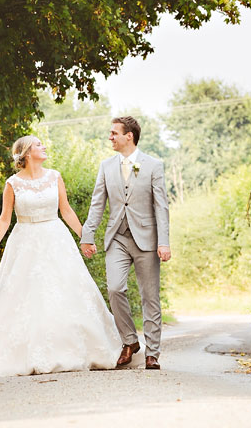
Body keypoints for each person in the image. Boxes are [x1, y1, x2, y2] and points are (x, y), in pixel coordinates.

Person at [0, 136, 121, 377]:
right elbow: (4, 219)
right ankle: (28, 354)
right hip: (25, 243)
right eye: (39, 144)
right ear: (26, 153)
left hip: (57, 239)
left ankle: (74, 349)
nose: (44, 147)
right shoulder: (12, 184)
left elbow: (65, 210)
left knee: (66, 291)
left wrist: (84, 237)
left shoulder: (54, 176)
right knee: (27, 296)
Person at [80, 116, 171, 370]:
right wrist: (88, 235)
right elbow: (97, 203)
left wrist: (163, 242)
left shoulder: (153, 165)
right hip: (117, 237)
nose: (110, 137)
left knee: (149, 296)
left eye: (114, 133)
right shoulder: (106, 166)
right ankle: (130, 341)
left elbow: (161, 207)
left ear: (128, 136)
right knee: (115, 289)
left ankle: (153, 353)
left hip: (147, 240)